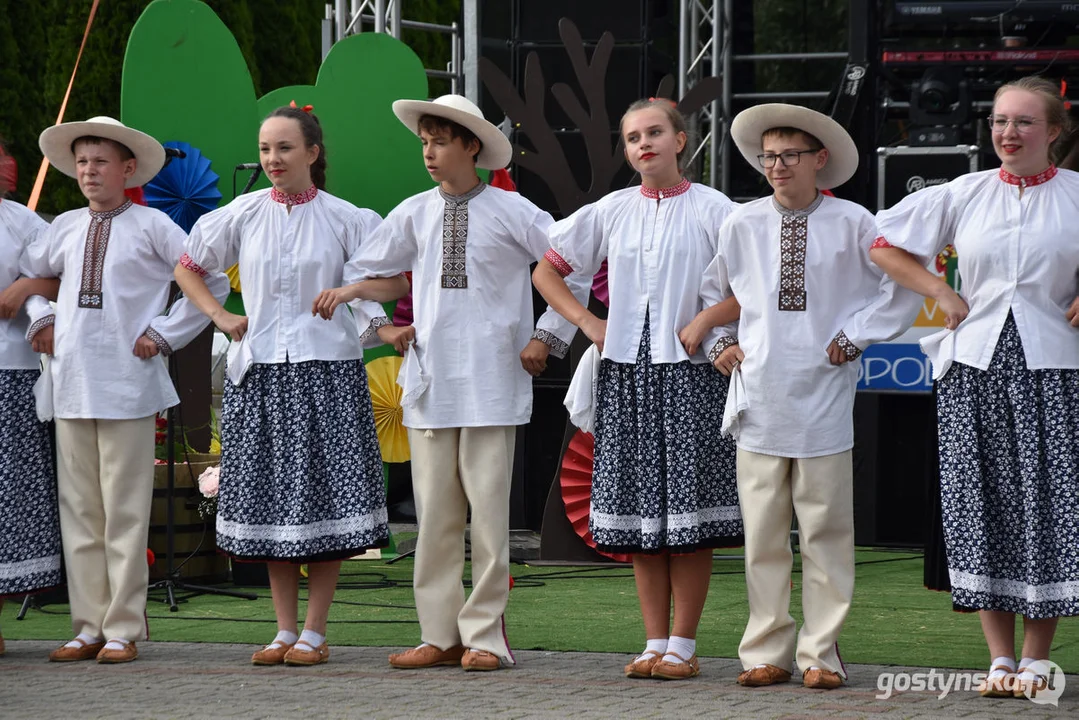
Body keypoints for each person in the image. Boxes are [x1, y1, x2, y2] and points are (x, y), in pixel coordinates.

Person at [327, 95, 584, 672]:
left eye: (440, 141)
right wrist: (382, 329)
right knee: (435, 514)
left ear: (472, 145)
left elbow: (575, 262)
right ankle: (438, 634)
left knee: (489, 515)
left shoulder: (515, 211)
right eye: (424, 142)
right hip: (431, 379)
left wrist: (548, 335)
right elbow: (360, 273)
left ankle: (486, 637)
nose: (429, 153)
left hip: (493, 378)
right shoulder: (413, 212)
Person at [871, 75, 1079, 698]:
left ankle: (1038, 659)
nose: (1007, 134)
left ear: (1054, 131)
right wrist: (937, 288)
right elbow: (881, 244)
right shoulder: (964, 192)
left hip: (1053, 372)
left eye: (1022, 122)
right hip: (971, 369)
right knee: (979, 503)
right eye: (998, 122)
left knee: (1045, 505)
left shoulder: (1075, 195)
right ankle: (998, 659)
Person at [702, 104, 920, 689]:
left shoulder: (854, 222)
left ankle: (820, 653)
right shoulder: (741, 224)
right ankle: (764, 653)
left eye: (789, 155)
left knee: (825, 530)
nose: (776, 165)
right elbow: (715, 291)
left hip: (824, 391)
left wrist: (856, 335)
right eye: (768, 155)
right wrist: (720, 342)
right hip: (759, 395)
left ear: (819, 159)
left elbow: (900, 288)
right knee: (764, 534)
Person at [175, 105, 398, 667]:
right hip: (262, 375)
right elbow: (187, 266)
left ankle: (316, 632)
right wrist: (222, 317)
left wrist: (349, 295)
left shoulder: (347, 218)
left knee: (322, 500)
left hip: (326, 372)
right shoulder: (243, 214)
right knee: (273, 501)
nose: (273, 159)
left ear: (313, 154)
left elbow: (392, 276)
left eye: (285, 148)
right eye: (266, 149)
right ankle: (282, 630)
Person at [533, 98, 742, 681]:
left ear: (681, 140)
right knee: (643, 521)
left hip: (690, 376)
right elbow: (546, 270)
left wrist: (705, 322)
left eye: (655, 133)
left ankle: (684, 643)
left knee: (687, 520)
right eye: (632, 137)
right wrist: (588, 322)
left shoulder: (714, 208)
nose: (643, 144)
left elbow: (755, 281)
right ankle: (653, 641)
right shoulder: (610, 210)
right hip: (626, 375)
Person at [21, 116, 230, 663]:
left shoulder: (153, 225)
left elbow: (209, 279)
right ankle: (87, 625)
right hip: (71, 380)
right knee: (80, 508)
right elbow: (32, 279)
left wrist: (163, 334)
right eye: (82, 162)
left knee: (125, 509)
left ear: (128, 168)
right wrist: (41, 315)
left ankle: (124, 627)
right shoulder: (63, 226)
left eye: (101, 161)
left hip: (128, 384)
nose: (89, 171)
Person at [0, 143, 61, 656]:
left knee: (9, 495)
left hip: (9, 373)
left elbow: (63, 272)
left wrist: (25, 291)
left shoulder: (22, 222)